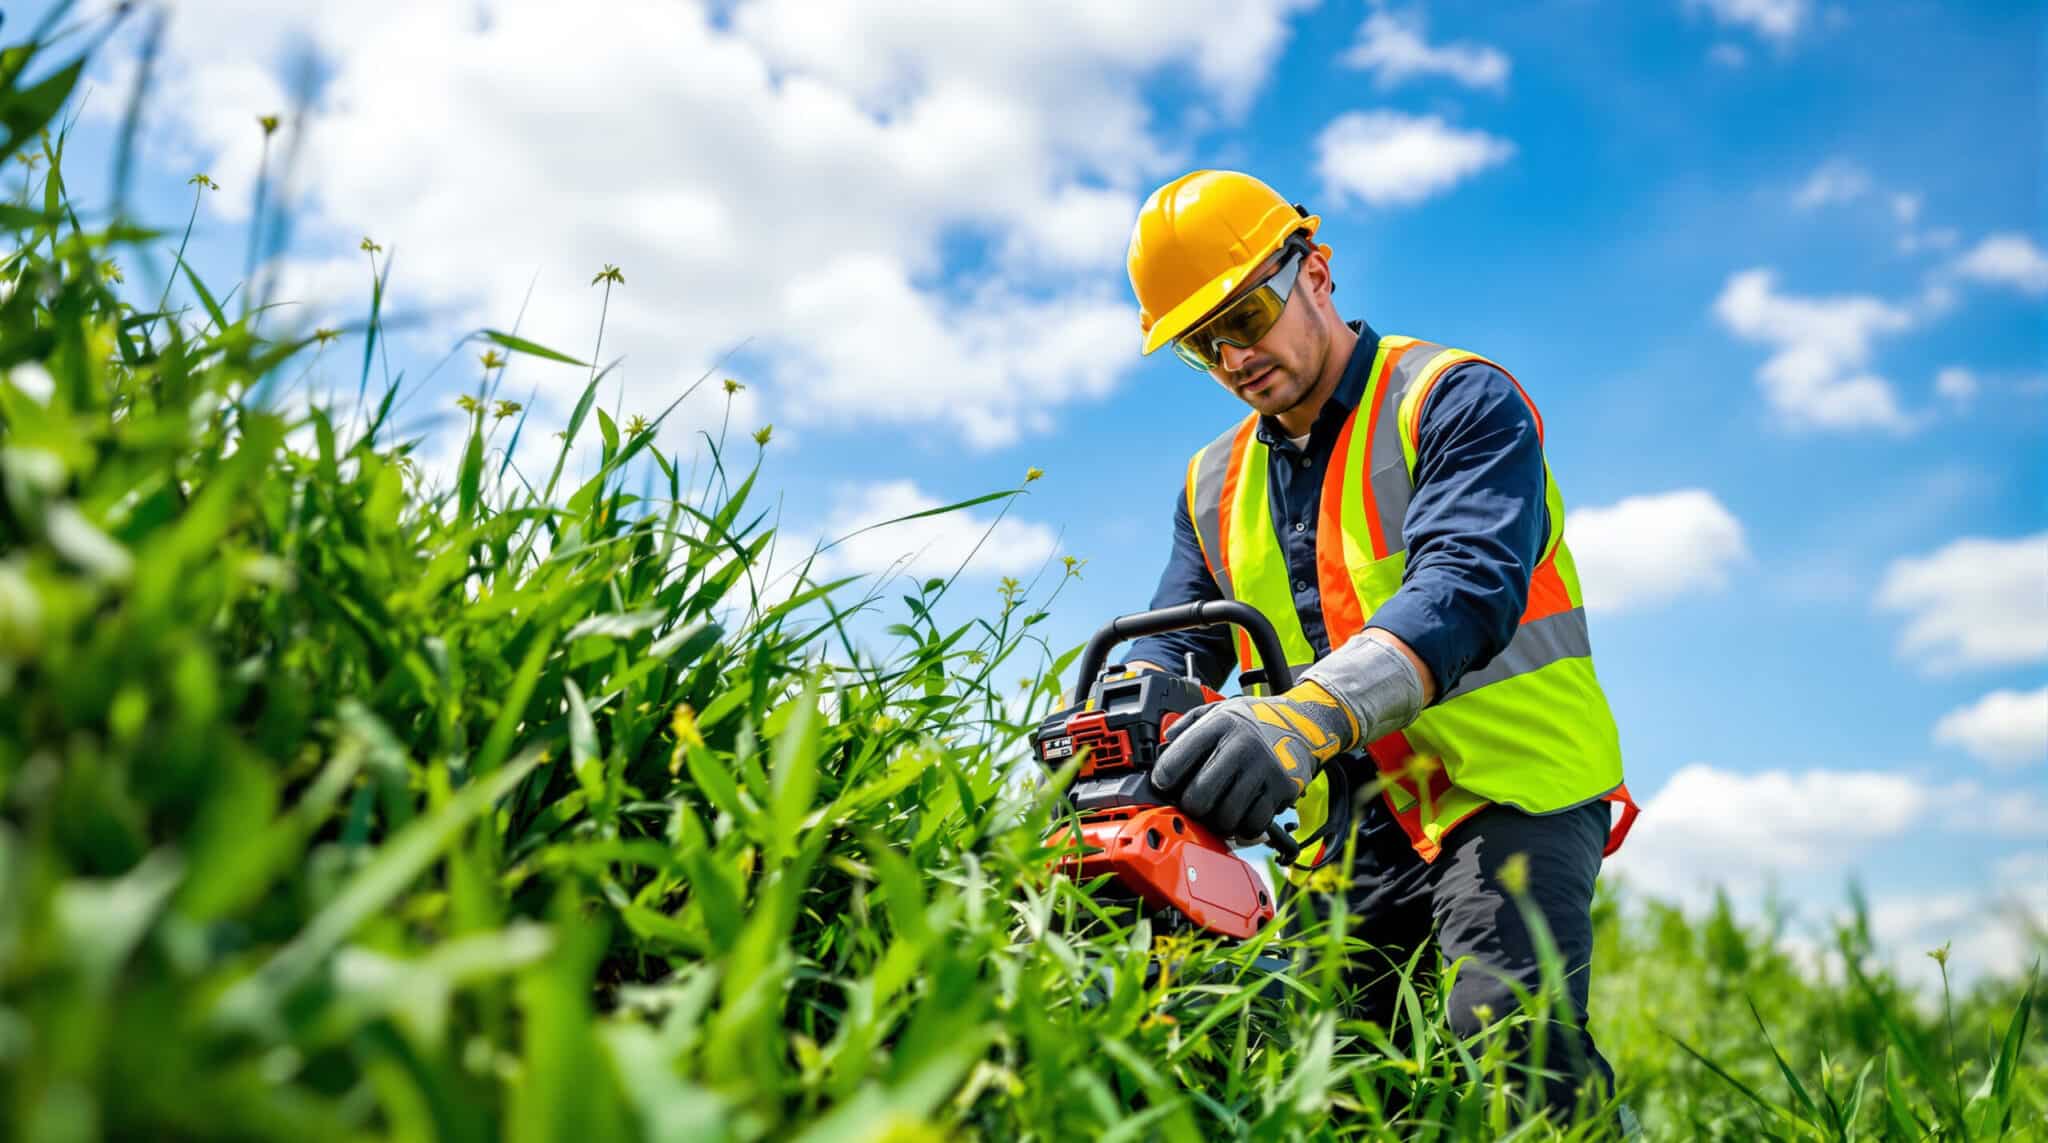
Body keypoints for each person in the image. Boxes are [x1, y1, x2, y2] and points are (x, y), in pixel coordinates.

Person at [1117, 169, 1639, 1123]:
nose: (1235, 356)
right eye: (1204, 343)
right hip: (1347, 829)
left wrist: (1305, 716)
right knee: (1339, 1092)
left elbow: (1466, 588)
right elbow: (1178, 645)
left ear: (1316, 270)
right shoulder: (1210, 484)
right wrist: (1113, 732)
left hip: (1507, 786)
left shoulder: (1454, 399)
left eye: (1248, 313)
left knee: (1507, 1052)